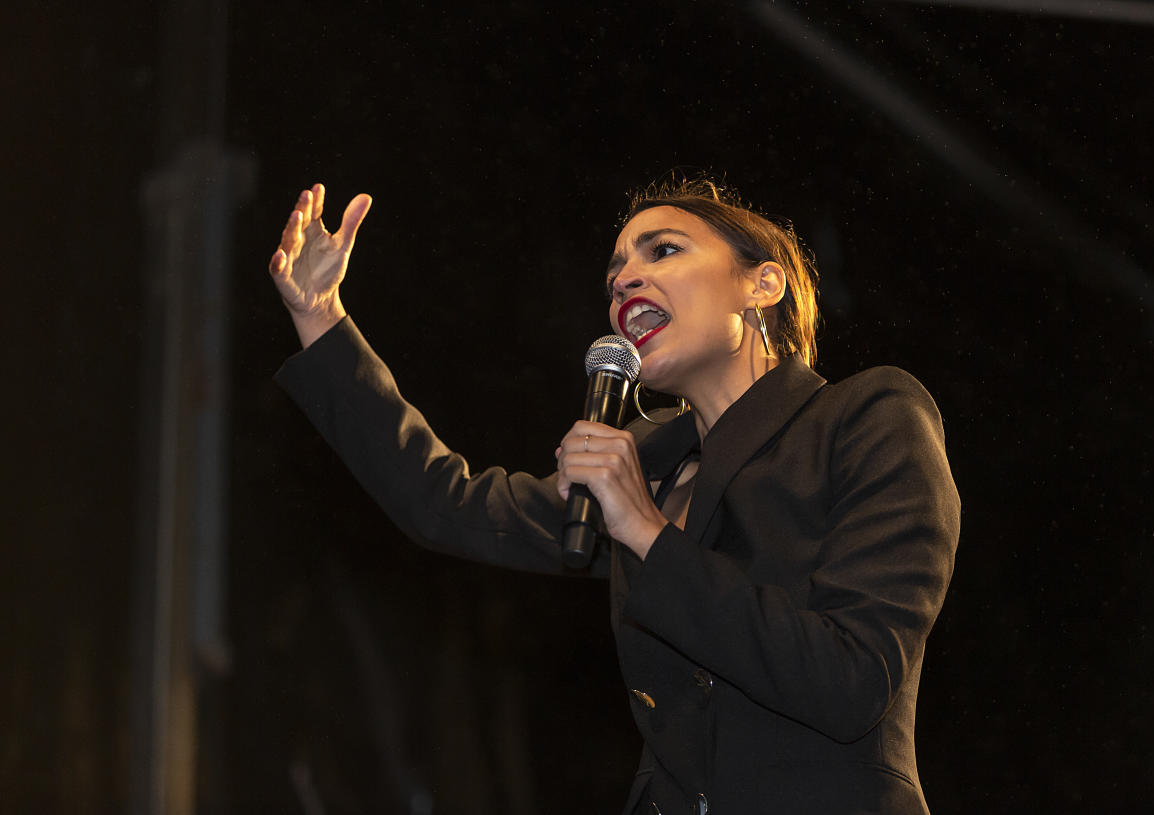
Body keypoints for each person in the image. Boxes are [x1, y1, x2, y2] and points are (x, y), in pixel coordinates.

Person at [268, 179, 960, 814]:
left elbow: (852, 680)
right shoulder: (649, 468)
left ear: (763, 283)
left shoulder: (868, 417)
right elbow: (446, 505)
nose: (625, 279)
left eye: (663, 250)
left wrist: (649, 534)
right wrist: (321, 319)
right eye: (615, 273)